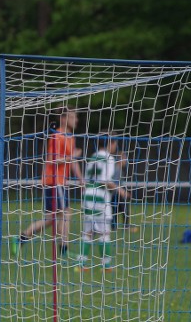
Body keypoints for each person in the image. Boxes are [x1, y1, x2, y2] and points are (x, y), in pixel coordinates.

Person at [18, 107, 85, 257]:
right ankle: (64, 250)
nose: (76, 120)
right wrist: (71, 157)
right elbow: (53, 160)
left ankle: (22, 237)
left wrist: (81, 180)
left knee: (50, 220)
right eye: (73, 117)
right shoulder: (57, 137)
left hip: (61, 182)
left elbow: (73, 161)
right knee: (66, 213)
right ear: (63, 119)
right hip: (54, 181)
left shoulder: (70, 137)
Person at [77, 134, 128, 270]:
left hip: (87, 194)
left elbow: (87, 179)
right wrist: (120, 190)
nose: (116, 146)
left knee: (88, 231)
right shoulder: (108, 158)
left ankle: (81, 263)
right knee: (104, 232)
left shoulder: (93, 156)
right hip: (100, 196)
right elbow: (106, 180)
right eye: (115, 143)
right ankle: (106, 265)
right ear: (110, 143)